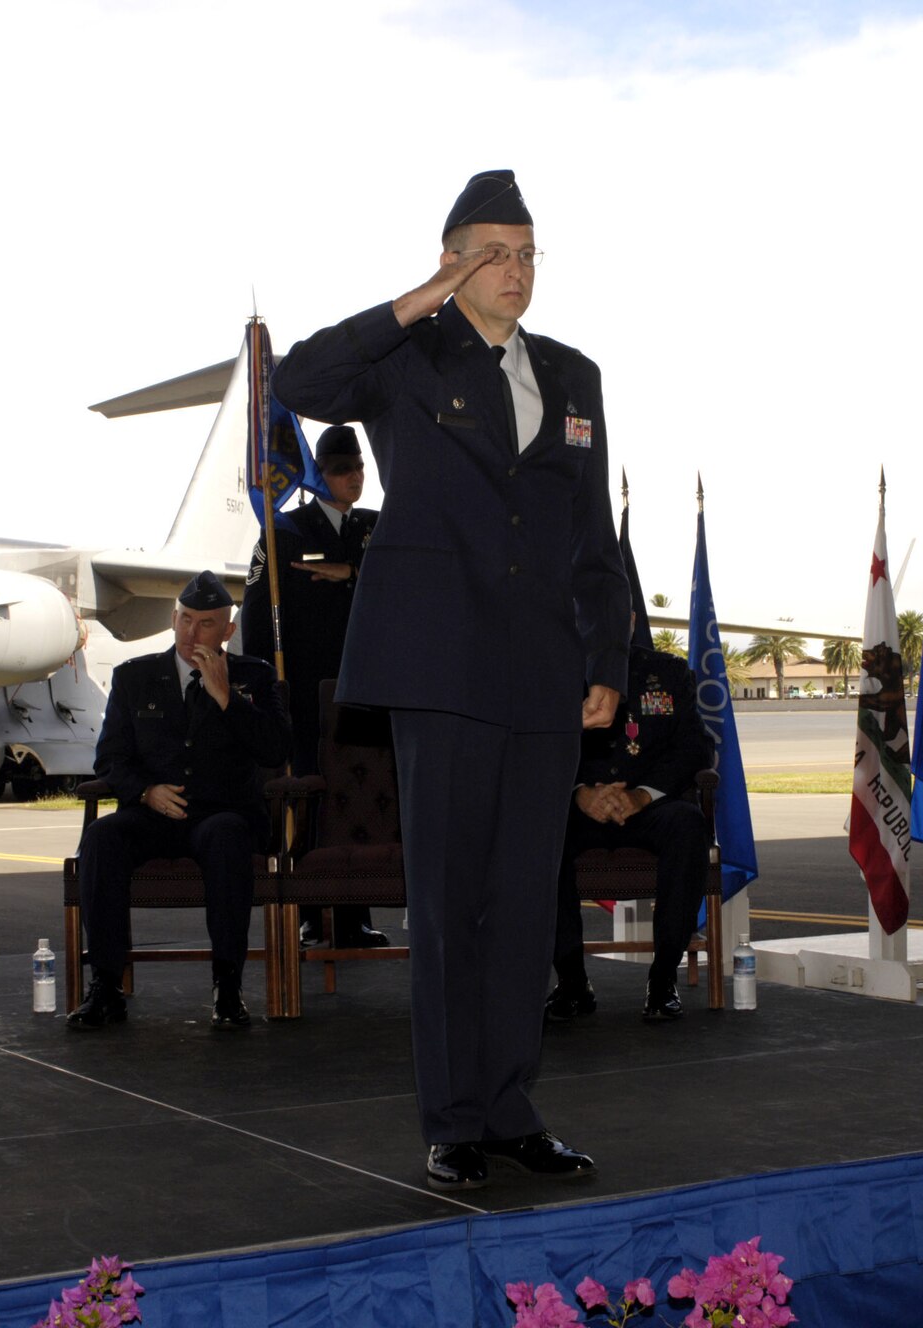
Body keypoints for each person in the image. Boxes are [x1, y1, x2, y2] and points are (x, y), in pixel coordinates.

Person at [274, 169, 630, 1191]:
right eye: (492, 254)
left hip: (545, 671)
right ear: (451, 259)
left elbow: (588, 530)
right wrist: (411, 302)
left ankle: (511, 1109)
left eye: (525, 255)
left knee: (523, 900)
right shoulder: (405, 356)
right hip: (439, 659)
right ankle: (450, 1118)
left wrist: (603, 659)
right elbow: (300, 381)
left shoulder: (571, 374)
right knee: (446, 901)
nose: (513, 273)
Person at [67, 570, 291, 1032]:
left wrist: (227, 698)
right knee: (102, 838)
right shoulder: (135, 677)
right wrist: (144, 792)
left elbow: (274, 750)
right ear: (173, 619)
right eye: (185, 619)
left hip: (221, 814)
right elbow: (110, 759)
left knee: (228, 836)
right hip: (154, 812)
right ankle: (106, 987)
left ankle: (227, 988)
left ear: (227, 631)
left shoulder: (255, 676)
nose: (192, 633)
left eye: (206, 623)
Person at [240, 424, 387, 948]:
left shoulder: (377, 529)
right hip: (306, 692)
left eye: (360, 467)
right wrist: (264, 685)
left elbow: (409, 574)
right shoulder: (286, 530)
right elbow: (258, 609)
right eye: (343, 469)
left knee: (363, 798)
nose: (355, 477)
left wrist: (352, 570)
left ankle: (355, 915)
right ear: (318, 476)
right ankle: (309, 910)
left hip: (365, 692)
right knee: (308, 797)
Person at [547, 635, 711, 1024]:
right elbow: (534, 749)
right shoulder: (549, 668)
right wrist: (580, 792)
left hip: (648, 804)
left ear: (631, 617)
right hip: (578, 805)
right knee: (540, 835)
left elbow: (694, 748)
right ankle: (572, 982)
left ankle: (662, 979)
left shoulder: (668, 672)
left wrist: (640, 796)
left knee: (688, 826)